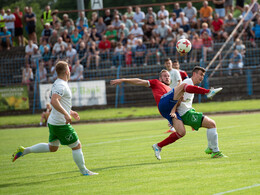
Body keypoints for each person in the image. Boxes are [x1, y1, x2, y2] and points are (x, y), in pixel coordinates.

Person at [110, 70, 222, 160]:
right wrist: (124, 80)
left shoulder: (171, 90)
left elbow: (177, 104)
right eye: (164, 76)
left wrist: (173, 113)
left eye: (168, 76)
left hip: (169, 110)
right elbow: (140, 81)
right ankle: (208, 92)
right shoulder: (156, 83)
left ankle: (158, 146)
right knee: (183, 86)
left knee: (181, 132)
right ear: (160, 78)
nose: (167, 77)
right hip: (163, 103)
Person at [12, 61, 98, 176]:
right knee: (77, 146)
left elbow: (58, 102)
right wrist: (66, 115)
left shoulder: (58, 83)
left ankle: (24, 151)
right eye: (69, 68)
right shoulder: (61, 85)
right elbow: (54, 101)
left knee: (52, 147)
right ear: (67, 71)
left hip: (53, 122)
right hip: (60, 124)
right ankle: (84, 172)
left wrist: (70, 112)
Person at [176, 66, 226, 158]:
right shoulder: (187, 83)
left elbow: (185, 102)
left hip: (188, 112)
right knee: (212, 124)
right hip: (186, 114)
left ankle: (211, 148)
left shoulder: (191, 84)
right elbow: (177, 100)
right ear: (194, 74)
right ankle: (215, 151)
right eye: (200, 75)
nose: (202, 77)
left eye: (203, 75)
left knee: (210, 125)